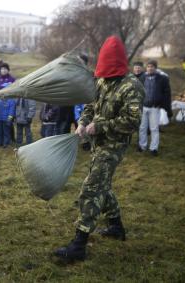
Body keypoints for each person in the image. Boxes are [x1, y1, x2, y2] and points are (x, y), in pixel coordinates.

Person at [53, 36, 145, 263]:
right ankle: (116, 226)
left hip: (114, 145)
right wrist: (83, 123)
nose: (104, 75)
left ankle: (79, 244)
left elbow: (132, 121)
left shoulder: (132, 86)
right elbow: (90, 105)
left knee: (92, 188)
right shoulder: (101, 80)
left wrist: (100, 126)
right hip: (97, 143)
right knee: (103, 184)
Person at [138, 60, 172, 156]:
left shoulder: (162, 79)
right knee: (142, 127)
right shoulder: (142, 77)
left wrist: (167, 107)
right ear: (146, 68)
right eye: (148, 66)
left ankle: (153, 148)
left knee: (154, 128)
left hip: (154, 107)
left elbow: (167, 93)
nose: (150, 68)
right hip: (143, 107)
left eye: (152, 66)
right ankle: (142, 146)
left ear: (155, 68)